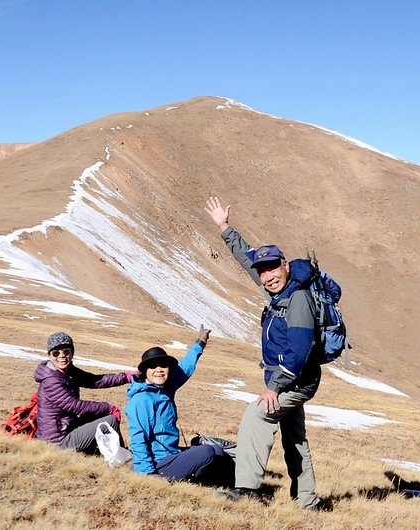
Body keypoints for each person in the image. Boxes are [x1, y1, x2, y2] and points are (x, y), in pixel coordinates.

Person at [204, 196, 328, 510]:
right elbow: (248, 260)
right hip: (290, 379)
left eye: (273, 267)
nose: (268, 274)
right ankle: (308, 501)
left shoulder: (297, 299)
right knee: (294, 439)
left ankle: (247, 490)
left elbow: (299, 353)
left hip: (295, 381)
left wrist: (273, 387)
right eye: (263, 271)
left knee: (257, 414)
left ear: (285, 265)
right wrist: (225, 228)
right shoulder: (277, 291)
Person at [125, 326, 232, 484]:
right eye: (153, 366)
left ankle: (216, 481)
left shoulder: (165, 388)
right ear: (145, 372)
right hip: (158, 465)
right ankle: (204, 481)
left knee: (217, 450)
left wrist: (200, 342)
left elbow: (185, 368)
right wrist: (147, 474)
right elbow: (138, 438)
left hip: (172, 455)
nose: (159, 370)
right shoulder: (141, 400)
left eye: (163, 365)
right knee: (207, 451)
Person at [34, 331, 134, 454]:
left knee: (101, 417)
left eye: (66, 351)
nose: (61, 356)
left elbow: (95, 381)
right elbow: (75, 406)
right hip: (56, 443)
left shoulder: (68, 372)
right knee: (110, 421)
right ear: (49, 355)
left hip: (67, 429)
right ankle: (121, 457)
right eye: (56, 353)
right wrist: (109, 407)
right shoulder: (51, 381)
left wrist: (126, 377)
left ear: (72, 353)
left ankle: (113, 453)